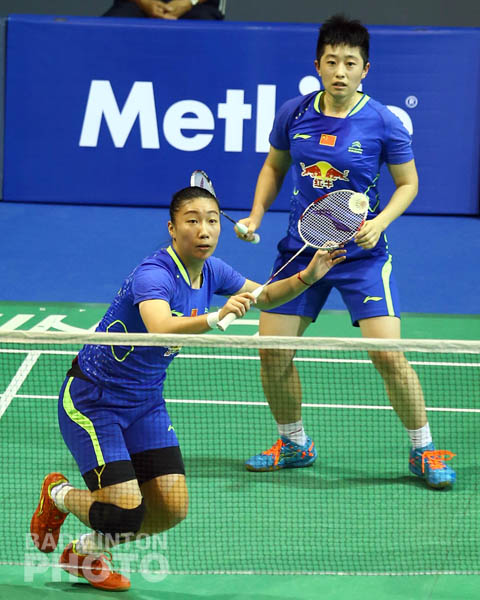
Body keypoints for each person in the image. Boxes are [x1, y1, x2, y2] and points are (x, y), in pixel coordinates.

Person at [30, 185, 345, 591]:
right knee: (125, 511)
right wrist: (215, 317)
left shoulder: (213, 271)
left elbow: (265, 296)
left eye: (212, 220)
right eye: (192, 221)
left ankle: (86, 552)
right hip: (94, 399)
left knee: (172, 508)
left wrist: (308, 277)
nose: (204, 230)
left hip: (145, 403)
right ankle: (58, 493)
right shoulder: (154, 275)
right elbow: (160, 326)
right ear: (172, 228)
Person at [237, 15, 456, 489]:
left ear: (365, 69)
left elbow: (408, 183)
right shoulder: (294, 113)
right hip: (302, 251)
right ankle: (294, 442)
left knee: (388, 355)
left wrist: (380, 222)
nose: (340, 71)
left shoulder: (383, 122)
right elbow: (274, 167)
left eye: (350, 63)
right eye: (332, 61)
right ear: (317, 64)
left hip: (361, 254)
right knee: (272, 353)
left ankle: (423, 448)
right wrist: (255, 216)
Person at [103, 0, 225, 20]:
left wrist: (189, 1)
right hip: (136, 4)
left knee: (207, 33)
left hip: (197, 5)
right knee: (108, 30)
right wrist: (144, 2)